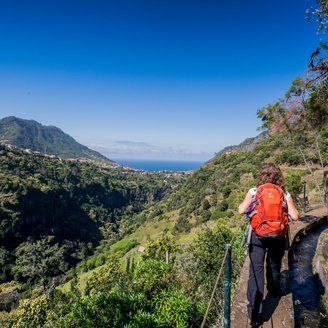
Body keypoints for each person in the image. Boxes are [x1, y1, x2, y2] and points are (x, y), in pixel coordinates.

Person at [238, 163, 299, 327]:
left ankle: (253, 314)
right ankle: (273, 290)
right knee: (273, 265)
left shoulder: (254, 191)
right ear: (279, 176)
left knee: (255, 270)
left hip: (258, 236)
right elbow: (295, 215)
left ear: (261, 176)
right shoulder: (284, 193)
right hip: (278, 236)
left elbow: (241, 210)